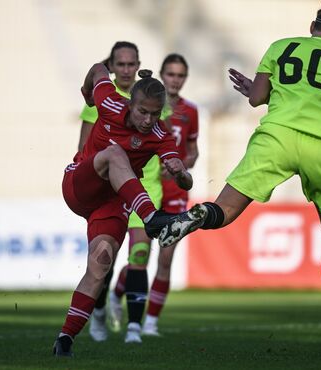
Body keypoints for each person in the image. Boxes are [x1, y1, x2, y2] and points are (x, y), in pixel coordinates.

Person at [158, 2, 321, 343]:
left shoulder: (279, 47)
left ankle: (199, 214)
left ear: (311, 26)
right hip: (320, 146)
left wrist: (258, 89)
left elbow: (257, 98)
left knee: (226, 210)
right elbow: (310, 90)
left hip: (275, 137)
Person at [53, 63, 200, 357]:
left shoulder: (161, 134)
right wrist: (86, 92)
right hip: (81, 183)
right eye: (142, 112)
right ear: (130, 103)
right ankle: (152, 218)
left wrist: (181, 172)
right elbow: (97, 70)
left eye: (155, 114)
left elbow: (186, 179)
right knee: (114, 153)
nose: (148, 120)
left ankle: (65, 338)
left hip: (113, 202)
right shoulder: (109, 101)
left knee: (101, 263)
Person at [77, 41, 165, 344]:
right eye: (121, 64)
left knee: (139, 255)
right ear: (112, 67)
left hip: (146, 189)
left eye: (131, 64)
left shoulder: (151, 98)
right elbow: (85, 152)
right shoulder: (105, 102)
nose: (126, 70)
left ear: (138, 64)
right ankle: (99, 310)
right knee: (105, 262)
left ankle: (134, 329)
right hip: (109, 192)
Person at [109, 53, 199, 340]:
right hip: (148, 187)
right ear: (162, 75)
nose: (175, 80)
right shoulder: (146, 107)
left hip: (174, 191)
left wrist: (185, 163)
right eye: (170, 74)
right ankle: (120, 291)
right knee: (141, 255)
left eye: (180, 75)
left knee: (166, 259)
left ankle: (149, 323)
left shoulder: (190, 111)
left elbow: (193, 148)